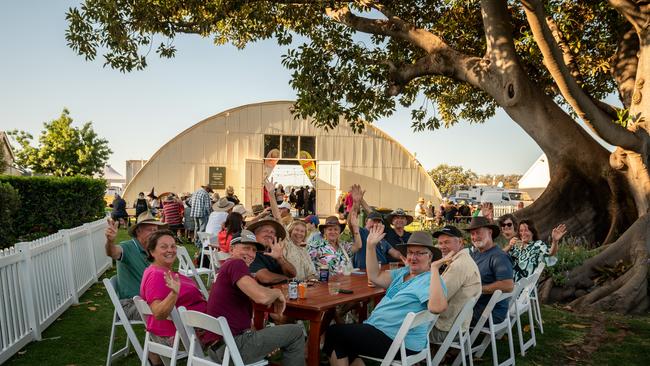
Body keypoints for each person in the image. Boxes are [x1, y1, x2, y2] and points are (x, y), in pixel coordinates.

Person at [323, 228, 448, 365]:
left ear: (430, 257)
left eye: (419, 253)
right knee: (345, 341)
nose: (413, 257)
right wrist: (370, 246)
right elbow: (375, 277)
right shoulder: (404, 272)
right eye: (410, 252)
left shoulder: (429, 280)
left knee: (335, 334)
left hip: (399, 341)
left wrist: (435, 269)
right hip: (383, 331)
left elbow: (437, 308)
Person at [206, 230, 305, 365]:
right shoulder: (236, 264)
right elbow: (261, 297)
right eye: (246, 248)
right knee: (296, 332)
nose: (251, 254)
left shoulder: (227, 268)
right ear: (232, 249)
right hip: (232, 348)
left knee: (276, 333)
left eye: (253, 250)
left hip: (219, 348)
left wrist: (264, 342)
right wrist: (277, 294)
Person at [140, 230, 215, 365]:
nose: (170, 250)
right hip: (183, 334)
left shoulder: (162, 270)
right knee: (234, 323)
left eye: (173, 246)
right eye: (164, 247)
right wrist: (174, 294)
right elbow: (158, 313)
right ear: (152, 252)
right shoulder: (156, 275)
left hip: (189, 327)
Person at [104, 211, 167, 320]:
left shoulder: (153, 250)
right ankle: (168, 337)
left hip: (152, 300)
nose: (154, 233)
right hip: (131, 303)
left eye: (155, 230)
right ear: (138, 231)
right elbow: (112, 252)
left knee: (181, 305)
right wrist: (110, 241)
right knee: (167, 313)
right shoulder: (128, 247)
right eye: (149, 230)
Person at [430, 225, 482, 343]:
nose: (442, 247)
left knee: (402, 329)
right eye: (440, 243)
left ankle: (413, 359)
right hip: (459, 325)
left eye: (447, 242)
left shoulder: (458, 266)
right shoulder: (463, 259)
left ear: (460, 242)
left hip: (446, 329)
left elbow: (437, 299)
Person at [465, 216, 514, 325]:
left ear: (490, 232)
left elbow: (508, 285)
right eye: (472, 234)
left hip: (490, 312)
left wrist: (478, 289)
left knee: (448, 314)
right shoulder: (477, 253)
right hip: (477, 305)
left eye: (478, 233)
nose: (475, 237)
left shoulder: (499, 257)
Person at [247, 217, 297, 284]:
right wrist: (287, 279)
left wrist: (280, 258)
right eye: (265, 231)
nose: (269, 234)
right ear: (255, 235)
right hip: (264, 293)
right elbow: (265, 278)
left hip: (283, 292)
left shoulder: (274, 252)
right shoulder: (251, 253)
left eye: (272, 232)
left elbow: (293, 274)